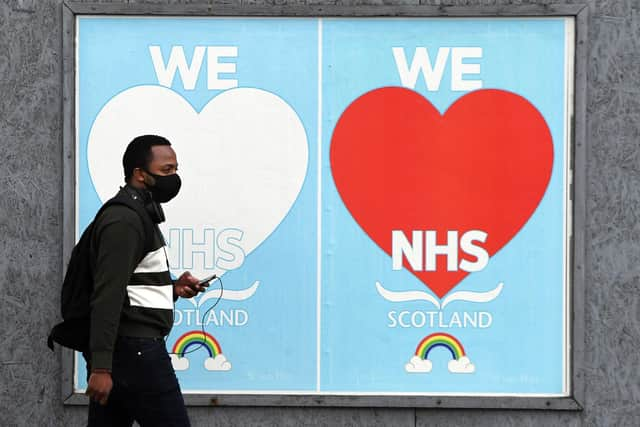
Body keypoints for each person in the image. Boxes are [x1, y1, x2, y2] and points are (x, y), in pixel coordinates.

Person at [84, 135, 204, 426]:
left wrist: (173, 288)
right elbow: (107, 294)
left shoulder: (140, 215)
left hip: (127, 351)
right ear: (140, 174)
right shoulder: (124, 221)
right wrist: (100, 368)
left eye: (176, 169)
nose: (174, 178)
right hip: (136, 351)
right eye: (166, 171)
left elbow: (131, 285)